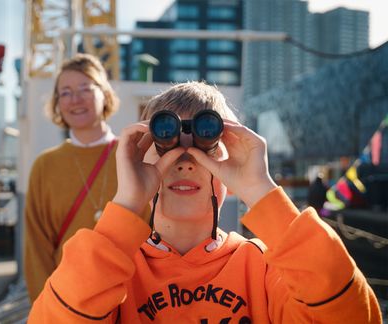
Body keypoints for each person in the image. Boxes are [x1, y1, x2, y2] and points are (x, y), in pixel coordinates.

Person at [28, 81, 381, 322]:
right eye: (165, 140)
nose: (185, 159)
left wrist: (262, 191)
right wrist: (126, 206)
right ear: (139, 155)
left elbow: (350, 315)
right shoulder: (113, 268)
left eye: (205, 144)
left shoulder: (263, 266)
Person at [23, 53, 150, 302]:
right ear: (57, 103)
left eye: (85, 88)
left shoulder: (136, 155)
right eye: (66, 92)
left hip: (133, 298)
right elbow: (36, 247)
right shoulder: (44, 166)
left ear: (104, 94)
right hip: (66, 299)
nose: (75, 99)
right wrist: (46, 307)